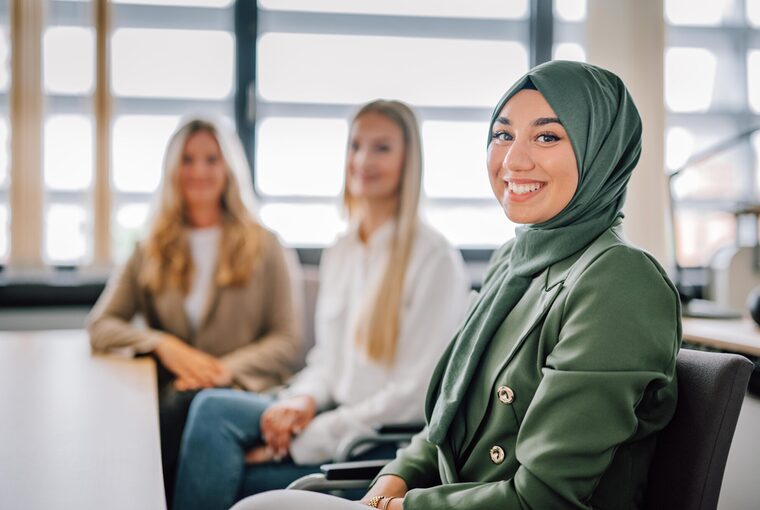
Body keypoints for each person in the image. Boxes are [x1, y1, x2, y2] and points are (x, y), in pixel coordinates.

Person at [231, 61, 683, 510]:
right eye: (503, 135)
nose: (513, 160)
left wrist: (407, 506)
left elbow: (541, 499)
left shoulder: (618, 280)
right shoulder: (514, 261)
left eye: (547, 136)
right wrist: (397, 477)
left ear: (601, 150)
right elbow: (446, 419)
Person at [171, 100, 470, 510]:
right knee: (210, 407)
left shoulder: (434, 258)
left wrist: (305, 441)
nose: (363, 159)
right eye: (356, 146)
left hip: (372, 448)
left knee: (228, 470)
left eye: (381, 148)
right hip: (330, 418)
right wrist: (301, 402)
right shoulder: (342, 250)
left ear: (408, 160)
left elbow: (413, 396)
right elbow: (327, 361)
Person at [86, 118, 302, 507]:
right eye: (187, 160)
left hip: (244, 394)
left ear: (228, 169)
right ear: (172, 170)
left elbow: (287, 340)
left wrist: (223, 370)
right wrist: (163, 344)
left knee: (180, 406)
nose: (199, 171)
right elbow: (101, 325)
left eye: (211, 159)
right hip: (177, 396)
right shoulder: (149, 247)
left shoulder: (266, 246)